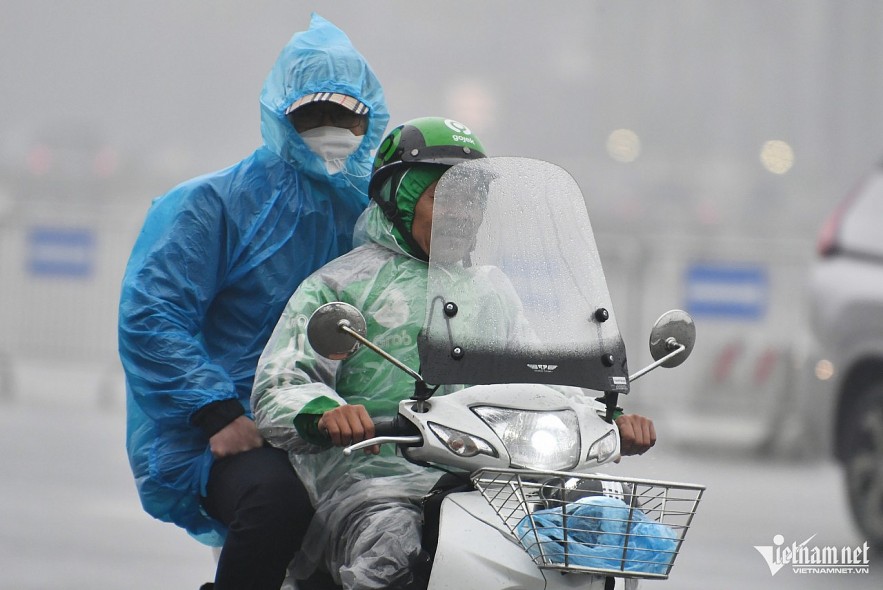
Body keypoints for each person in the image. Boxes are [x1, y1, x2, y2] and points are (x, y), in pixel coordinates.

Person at [251, 117, 657, 590]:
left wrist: (602, 418)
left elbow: (541, 381)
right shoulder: (340, 285)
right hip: (376, 482)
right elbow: (282, 383)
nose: (462, 213)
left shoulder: (491, 290)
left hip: (491, 479)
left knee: (597, 537)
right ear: (400, 201)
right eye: (443, 198)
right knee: (394, 549)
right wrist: (326, 413)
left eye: (472, 199)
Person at [118, 14, 388, 590]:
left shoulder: (377, 215)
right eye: (312, 113)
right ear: (280, 114)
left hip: (350, 429)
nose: (331, 128)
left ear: (371, 119)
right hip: (235, 429)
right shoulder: (216, 204)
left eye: (346, 115)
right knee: (276, 505)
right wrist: (217, 412)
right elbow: (153, 314)